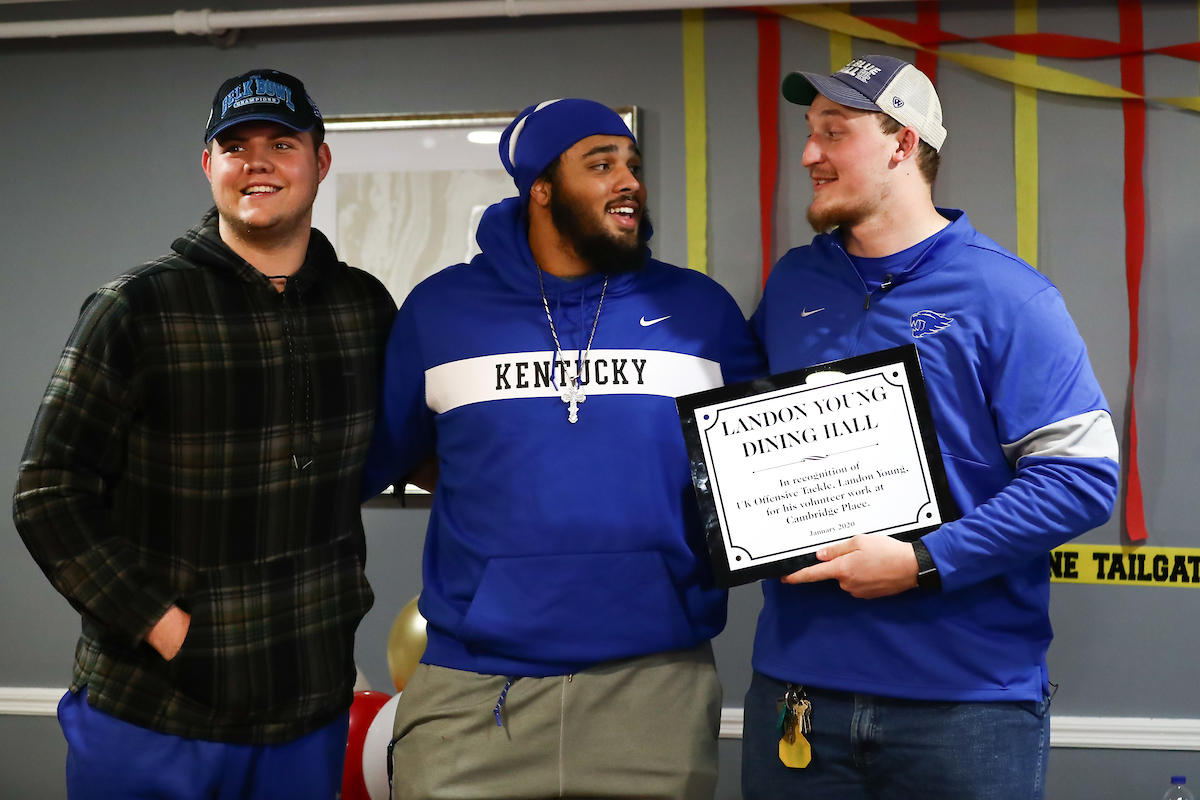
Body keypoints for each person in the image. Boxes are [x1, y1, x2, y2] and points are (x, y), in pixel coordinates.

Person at [362, 98, 763, 800]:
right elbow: (396, 455)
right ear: (540, 188)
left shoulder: (701, 311)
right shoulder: (441, 310)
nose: (629, 180)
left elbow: (760, 463)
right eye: (600, 164)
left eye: (633, 164)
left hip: (654, 687)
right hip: (473, 690)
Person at [742, 55, 1120, 799]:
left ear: (903, 143)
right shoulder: (793, 282)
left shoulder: (1009, 294)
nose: (810, 154)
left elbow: (1080, 478)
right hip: (800, 693)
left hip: (966, 707)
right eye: (809, 132)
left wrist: (922, 559)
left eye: (834, 132)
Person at [13, 69, 396, 799]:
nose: (256, 162)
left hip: (308, 715)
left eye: (281, 143)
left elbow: (391, 454)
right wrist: (165, 628)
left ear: (320, 161)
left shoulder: (364, 308)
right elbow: (48, 492)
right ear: (208, 166)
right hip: (153, 715)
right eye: (234, 145)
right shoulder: (136, 306)